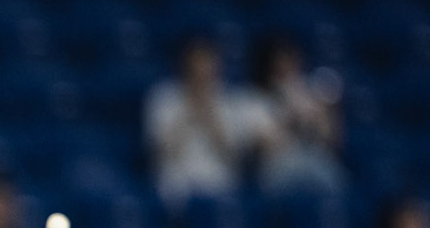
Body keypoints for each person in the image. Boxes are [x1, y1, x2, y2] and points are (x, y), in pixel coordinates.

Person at [144, 37, 276, 206]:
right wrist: (188, 111)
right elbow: (162, 151)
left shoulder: (230, 100)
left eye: (207, 65)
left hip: (218, 178)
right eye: (196, 66)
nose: (201, 72)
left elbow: (235, 155)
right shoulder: (164, 97)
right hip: (176, 179)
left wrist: (210, 118)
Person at [249, 34, 344, 197]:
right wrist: (288, 115)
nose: (285, 69)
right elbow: (264, 149)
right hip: (278, 166)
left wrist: (325, 115)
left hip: (315, 160)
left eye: (289, 63)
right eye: (278, 65)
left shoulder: (310, 94)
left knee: (335, 182)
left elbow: (332, 142)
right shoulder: (255, 101)